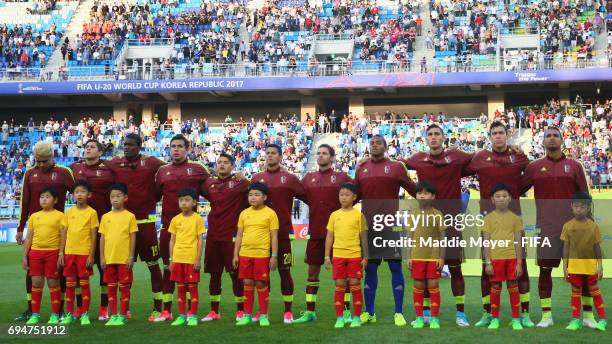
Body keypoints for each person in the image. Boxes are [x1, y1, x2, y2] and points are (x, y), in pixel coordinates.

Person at [521, 126, 591, 328]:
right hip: (547, 229)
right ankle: (546, 316)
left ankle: (586, 316)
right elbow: (515, 189)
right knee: (545, 271)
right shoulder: (534, 167)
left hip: (575, 229)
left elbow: (585, 198)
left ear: (562, 140)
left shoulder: (574, 166)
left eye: (555, 136)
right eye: (547, 136)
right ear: (542, 142)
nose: (551, 139)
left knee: (582, 273)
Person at [466, 121, 533, 328]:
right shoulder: (479, 158)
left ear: (507, 135)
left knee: (521, 267)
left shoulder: (519, 157)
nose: (497, 136)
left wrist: (516, 191)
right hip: (489, 220)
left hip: (514, 219)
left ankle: (524, 314)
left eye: (501, 133)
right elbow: (459, 170)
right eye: (494, 133)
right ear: (490, 136)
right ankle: (488, 313)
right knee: (487, 267)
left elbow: (531, 175)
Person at [404, 124, 472, 327]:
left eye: (437, 134)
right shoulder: (418, 159)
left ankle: (460, 314)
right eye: (430, 134)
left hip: (450, 222)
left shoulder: (457, 156)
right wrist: (365, 159)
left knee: (455, 268)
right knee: (425, 269)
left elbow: (481, 157)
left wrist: (514, 149)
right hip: (426, 222)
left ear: (443, 138)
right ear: (425, 139)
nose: (433, 137)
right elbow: (397, 166)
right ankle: (425, 312)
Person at [355, 135, 415, 326]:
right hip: (369, 228)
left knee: (395, 268)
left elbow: (415, 190)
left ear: (385, 146)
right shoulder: (361, 168)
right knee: (370, 269)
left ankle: (398, 312)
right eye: (371, 143)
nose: (374, 146)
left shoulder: (396, 167)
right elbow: (352, 195)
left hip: (391, 225)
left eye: (378, 143)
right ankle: (370, 312)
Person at [107, 133, 166, 321]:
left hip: (146, 223)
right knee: (125, 267)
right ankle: (125, 309)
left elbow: (173, 169)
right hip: (123, 224)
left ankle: (158, 308)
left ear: (139, 146)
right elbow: (91, 166)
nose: (126, 147)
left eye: (130, 144)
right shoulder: (114, 163)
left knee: (153, 266)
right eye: (124, 144)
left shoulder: (152, 162)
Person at [16, 141, 75, 321]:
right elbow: (24, 202)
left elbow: (79, 193)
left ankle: (61, 310)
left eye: (44, 161)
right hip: (37, 228)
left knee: (60, 268)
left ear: (52, 157)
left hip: (58, 228)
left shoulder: (64, 172)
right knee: (32, 272)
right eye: (38, 161)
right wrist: (20, 228)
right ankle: (30, 309)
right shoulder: (29, 173)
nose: (40, 165)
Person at [294, 144, 352, 324]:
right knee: (312, 273)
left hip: (340, 235)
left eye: (325, 153)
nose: (320, 156)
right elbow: (303, 197)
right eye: (318, 153)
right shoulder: (308, 178)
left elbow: (355, 193)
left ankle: (347, 312)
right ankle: (310, 312)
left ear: (332, 157)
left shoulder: (342, 177)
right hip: (316, 233)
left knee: (344, 277)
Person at [156, 135, 209, 321]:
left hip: (190, 230)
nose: (176, 149)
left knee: (190, 277)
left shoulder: (198, 168)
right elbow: (155, 195)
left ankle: (190, 313)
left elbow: (214, 187)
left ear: (188, 149)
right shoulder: (162, 171)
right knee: (168, 269)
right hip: (168, 228)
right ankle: (166, 310)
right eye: (173, 146)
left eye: (180, 146)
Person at [251, 144, 306, 323]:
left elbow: (307, 196)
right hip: (260, 234)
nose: (270, 156)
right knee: (261, 274)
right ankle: (262, 311)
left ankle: (288, 311)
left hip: (282, 233)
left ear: (281, 156)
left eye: (273, 153)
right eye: (267, 153)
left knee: (284, 271)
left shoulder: (289, 178)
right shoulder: (257, 178)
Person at [200, 153, 249, 322]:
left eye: (226, 162)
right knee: (214, 274)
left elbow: (258, 191)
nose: (222, 165)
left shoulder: (241, 183)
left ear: (232, 165)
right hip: (213, 236)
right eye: (219, 162)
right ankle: (214, 311)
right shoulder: (209, 184)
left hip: (232, 237)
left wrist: (246, 178)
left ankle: (241, 310)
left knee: (236, 275)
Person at [70, 139, 114, 321]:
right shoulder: (74, 168)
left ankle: (104, 307)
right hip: (79, 231)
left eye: (92, 147)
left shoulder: (108, 169)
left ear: (100, 152)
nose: (88, 149)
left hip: (102, 227)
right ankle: (80, 307)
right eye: (86, 147)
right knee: (79, 273)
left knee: (103, 268)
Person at [233, 182, 279, 327]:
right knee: (247, 283)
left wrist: (274, 256)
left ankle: (264, 315)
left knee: (261, 283)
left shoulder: (270, 213)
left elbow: (274, 237)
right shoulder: (244, 213)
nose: (253, 198)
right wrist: (235, 255)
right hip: (245, 253)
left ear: (264, 197)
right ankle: (247, 315)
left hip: (262, 255)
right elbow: (239, 236)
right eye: (251, 195)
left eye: (257, 195)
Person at [324, 183, 367, 328]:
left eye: (347, 194)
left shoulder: (359, 215)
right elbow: (329, 237)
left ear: (354, 197)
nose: (343, 197)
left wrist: (365, 257)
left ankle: (356, 317)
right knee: (340, 285)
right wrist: (326, 257)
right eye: (341, 194)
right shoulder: (334, 215)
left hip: (354, 255)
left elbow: (364, 238)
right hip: (338, 256)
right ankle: (340, 318)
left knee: (355, 285)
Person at [561, 192, 607, 331]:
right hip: (574, 267)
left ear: (588, 208)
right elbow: (565, 248)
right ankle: (575, 320)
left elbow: (597, 248)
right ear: (571, 207)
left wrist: (600, 266)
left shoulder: (593, 226)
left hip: (590, 266)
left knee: (595, 292)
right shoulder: (567, 226)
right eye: (576, 206)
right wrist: (565, 267)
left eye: (582, 207)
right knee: (575, 292)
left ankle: (603, 320)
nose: (579, 209)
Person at [482, 183, 524, 330]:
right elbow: (485, 242)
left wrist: (519, 263)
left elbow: (519, 242)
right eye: (497, 196)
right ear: (492, 199)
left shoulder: (515, 218)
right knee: (495, 286)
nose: (501, 199)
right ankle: (494, 319)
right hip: (495, 259)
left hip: (511, 258)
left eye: (504, 196)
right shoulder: (488, 218)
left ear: (510, 198)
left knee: (513, 286)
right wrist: (488, 262)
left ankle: (516, 319)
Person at [23, 187, 67, 325]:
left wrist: (61, 253)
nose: (44, 199)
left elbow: (63, 237)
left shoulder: (61, 216)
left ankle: (55, 315)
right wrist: (25, 255)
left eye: (47, 197)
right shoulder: (34, 216)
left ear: (55, 200)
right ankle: (35, 315)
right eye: (42, 197)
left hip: (53, 253)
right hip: (35, 253)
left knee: (53, 283)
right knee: (36, 283)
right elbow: (29, 238)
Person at [59, 180, 99, 325]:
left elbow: (94, 235)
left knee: (84, 284)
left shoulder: (92, 212)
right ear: (73, 195)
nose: (79, 194)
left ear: (89, 195)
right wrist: (61, 253)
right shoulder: (68, 212)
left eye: (83, 192)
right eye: (77, 192)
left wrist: (91, 255)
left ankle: (85, 314)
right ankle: (69, 314)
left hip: (84, 254)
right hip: (69, 253)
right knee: (69, 284)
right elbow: (64, 232)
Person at [407, 181, 445, 329]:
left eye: (426, 193)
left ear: (433, 196)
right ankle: (419, 318)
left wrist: (441, 258)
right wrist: (408, 256)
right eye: (419, 193)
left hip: (433, 257)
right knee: (418, 286)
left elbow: (442, 238)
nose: (422, 196)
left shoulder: (437, 214)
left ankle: (434, 318)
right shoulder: (413, 213)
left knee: (433, 286)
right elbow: (409, 236)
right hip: (417, 256)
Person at [99, 183, 138, 326]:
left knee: (124, 288)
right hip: (109, 259)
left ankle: (123, 314)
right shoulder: (105, 217)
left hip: (123, 259)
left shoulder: (130, 216)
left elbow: (132, 237)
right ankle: (113, 315)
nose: (115, 199)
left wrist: (131, 256)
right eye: (112, 196)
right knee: (111, 288)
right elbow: (102, 238)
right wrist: (102, 257)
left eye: (118, 196)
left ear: (125, 198)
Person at [168, 188, 205, 327]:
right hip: (178, 258)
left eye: (187, 200)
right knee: (181, 288)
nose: (184, 203)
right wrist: (171, 259)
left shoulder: (198, 219)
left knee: (192, 287)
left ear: (194, 202)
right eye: (181, 200)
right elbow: (172, 240)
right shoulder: (175, 219)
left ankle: (193, 315)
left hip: (191, 258)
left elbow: (200, 239)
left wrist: (197, 259)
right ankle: (182, 316)